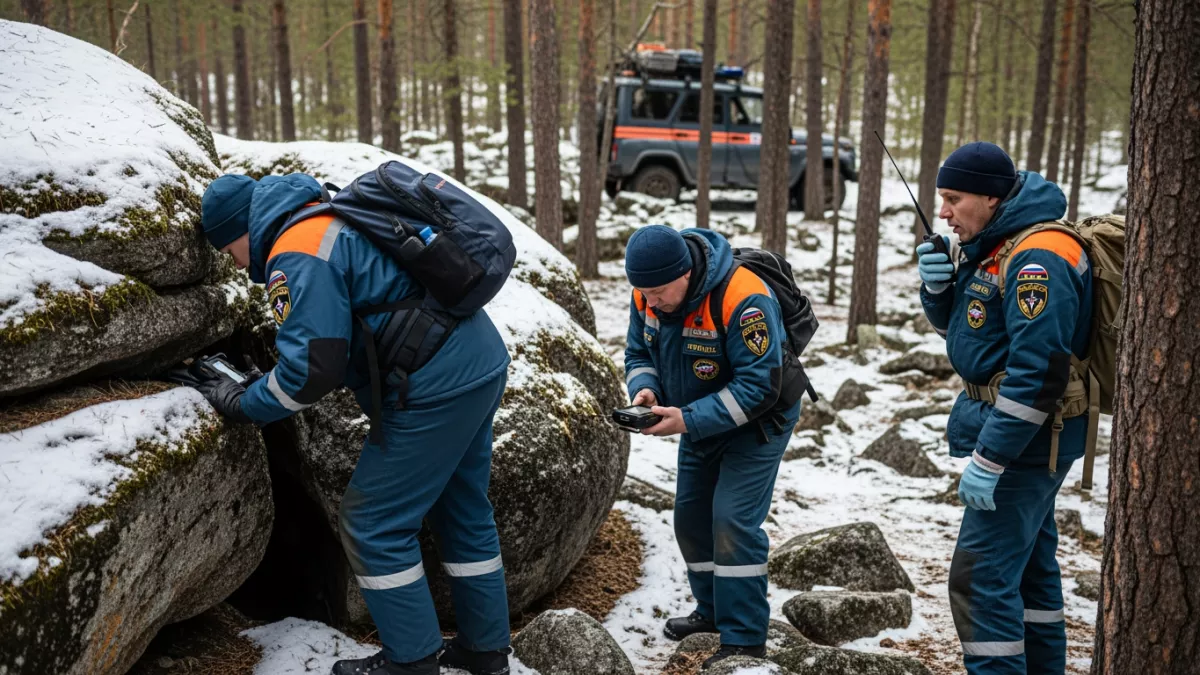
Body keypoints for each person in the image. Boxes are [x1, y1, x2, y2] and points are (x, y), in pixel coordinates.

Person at [195, 173, 513, 675]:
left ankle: (411, 662)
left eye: (227, 249)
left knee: (373, 522)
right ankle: (486, 650)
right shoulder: (329, 215)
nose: (233, 263)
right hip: (478, 362)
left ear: (241, 229)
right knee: (461, 509)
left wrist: (244, 401)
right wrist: (268, 378)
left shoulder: (295, 249)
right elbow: (352, 332)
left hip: (434, 385)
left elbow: (311, 372)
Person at [916, 142, 1093, 675]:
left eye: (953, 198)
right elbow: (977, 337)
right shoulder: (996, 243)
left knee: (981, 579)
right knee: (1030, 572)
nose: (943, 212)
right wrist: (937, 290)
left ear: (992, 198)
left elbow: (1037, 372)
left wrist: (990, 459)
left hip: (1030, 437)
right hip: (1023, 434)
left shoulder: (1038, 256)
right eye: (941, 199)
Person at [623, 225, 801, 670]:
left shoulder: (744, 297)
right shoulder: (646, 295)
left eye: (659, 291)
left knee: (732, 522)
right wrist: (645, 389)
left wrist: (687, 419)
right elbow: (637, 354)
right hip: (697, 421)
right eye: (643, 292)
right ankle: (712, 610)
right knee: (691, 519)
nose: (652, 301)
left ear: (684, 273)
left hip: (759, 423)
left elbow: (759, 387)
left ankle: (744, 638)